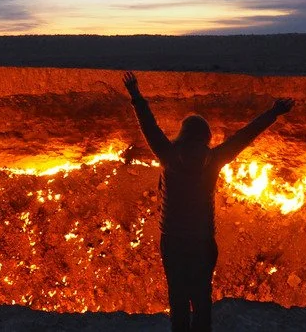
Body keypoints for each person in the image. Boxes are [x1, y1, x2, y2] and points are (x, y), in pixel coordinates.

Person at [122, 71, 294, 332]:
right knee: (201, 299)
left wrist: (135, 93)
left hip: (173, 242)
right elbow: (245, 136)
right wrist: (273, 112)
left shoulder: (168, 155)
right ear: (206, 138)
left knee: (178, 299)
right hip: (202, 243)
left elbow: (149, 125)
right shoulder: (215, 159)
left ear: (183, 134)